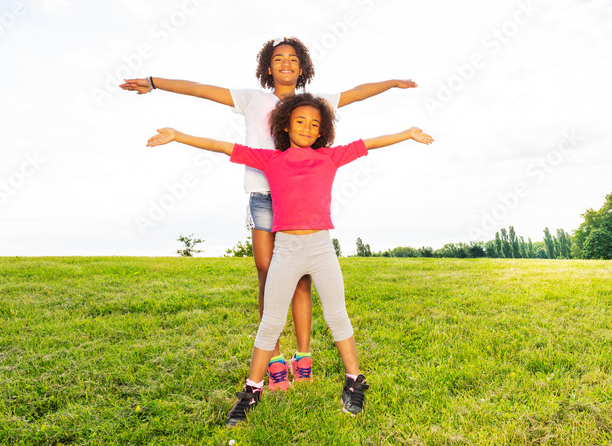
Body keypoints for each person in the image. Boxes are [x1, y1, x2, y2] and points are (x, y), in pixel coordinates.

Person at [122, 37, 417, 390]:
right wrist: (155, 83)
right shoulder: (251, 99)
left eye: (293, 59)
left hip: (301, 202)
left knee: (303, 278)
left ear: (303, 66)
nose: (286, 64)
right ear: (268, 66)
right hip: (264, 196)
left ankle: (303, 356)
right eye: (278, 59)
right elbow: (200, 90)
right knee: (268, 274)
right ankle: (275, 357)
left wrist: (393, 84)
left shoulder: (314, 104)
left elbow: (357, 92)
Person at [146, 92, 433, 423]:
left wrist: (408, 133)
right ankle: (252, 390)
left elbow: (368, 143)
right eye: (300, 121)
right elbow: (225, 147)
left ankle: (354, 382)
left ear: (322, 129)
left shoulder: (330, 157)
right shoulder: (270, 160)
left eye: (315, 123)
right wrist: (178, 135)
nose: (307, 127)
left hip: (322, 249)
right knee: (270, 322)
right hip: (286, 250)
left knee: (338, 316)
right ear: (284, 126)